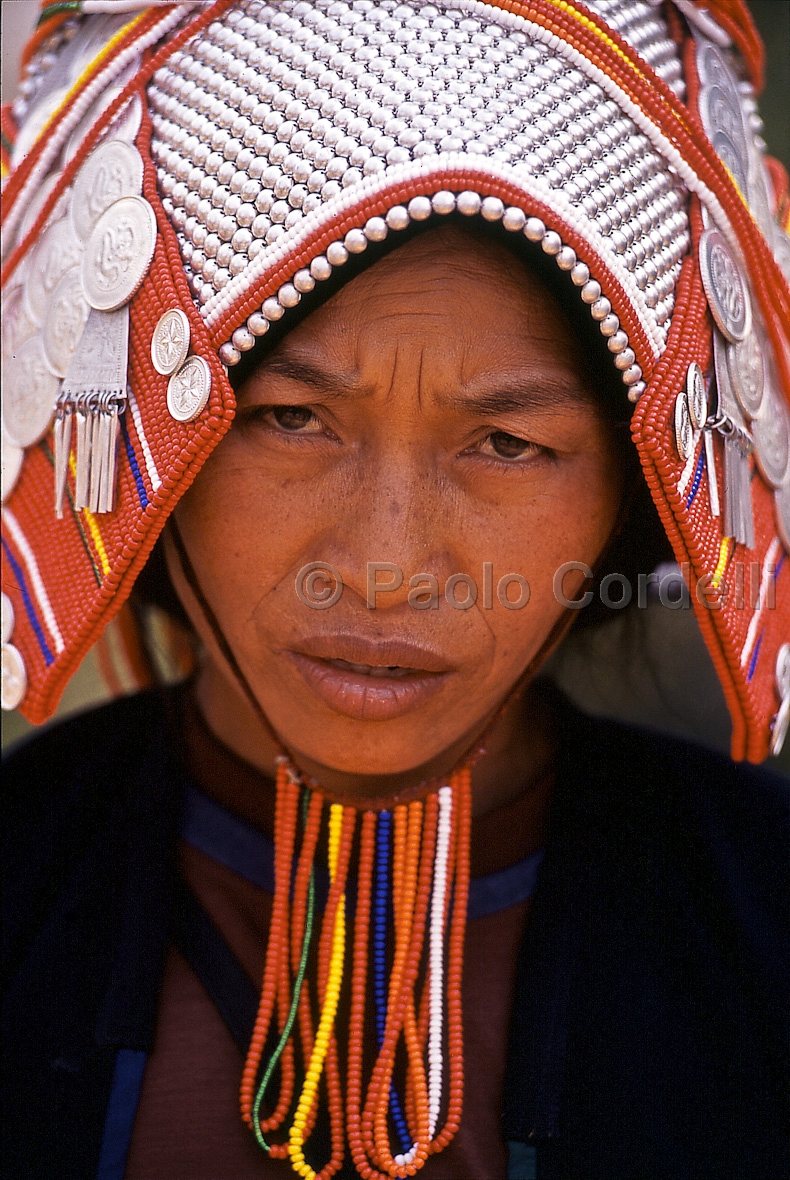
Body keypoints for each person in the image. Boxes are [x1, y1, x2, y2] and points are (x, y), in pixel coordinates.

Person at [2, 2, 788, 1179]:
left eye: (506, 444)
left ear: (636, 492)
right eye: (291, 418)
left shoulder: (765, 926)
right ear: (141, 456)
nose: (388, 561)